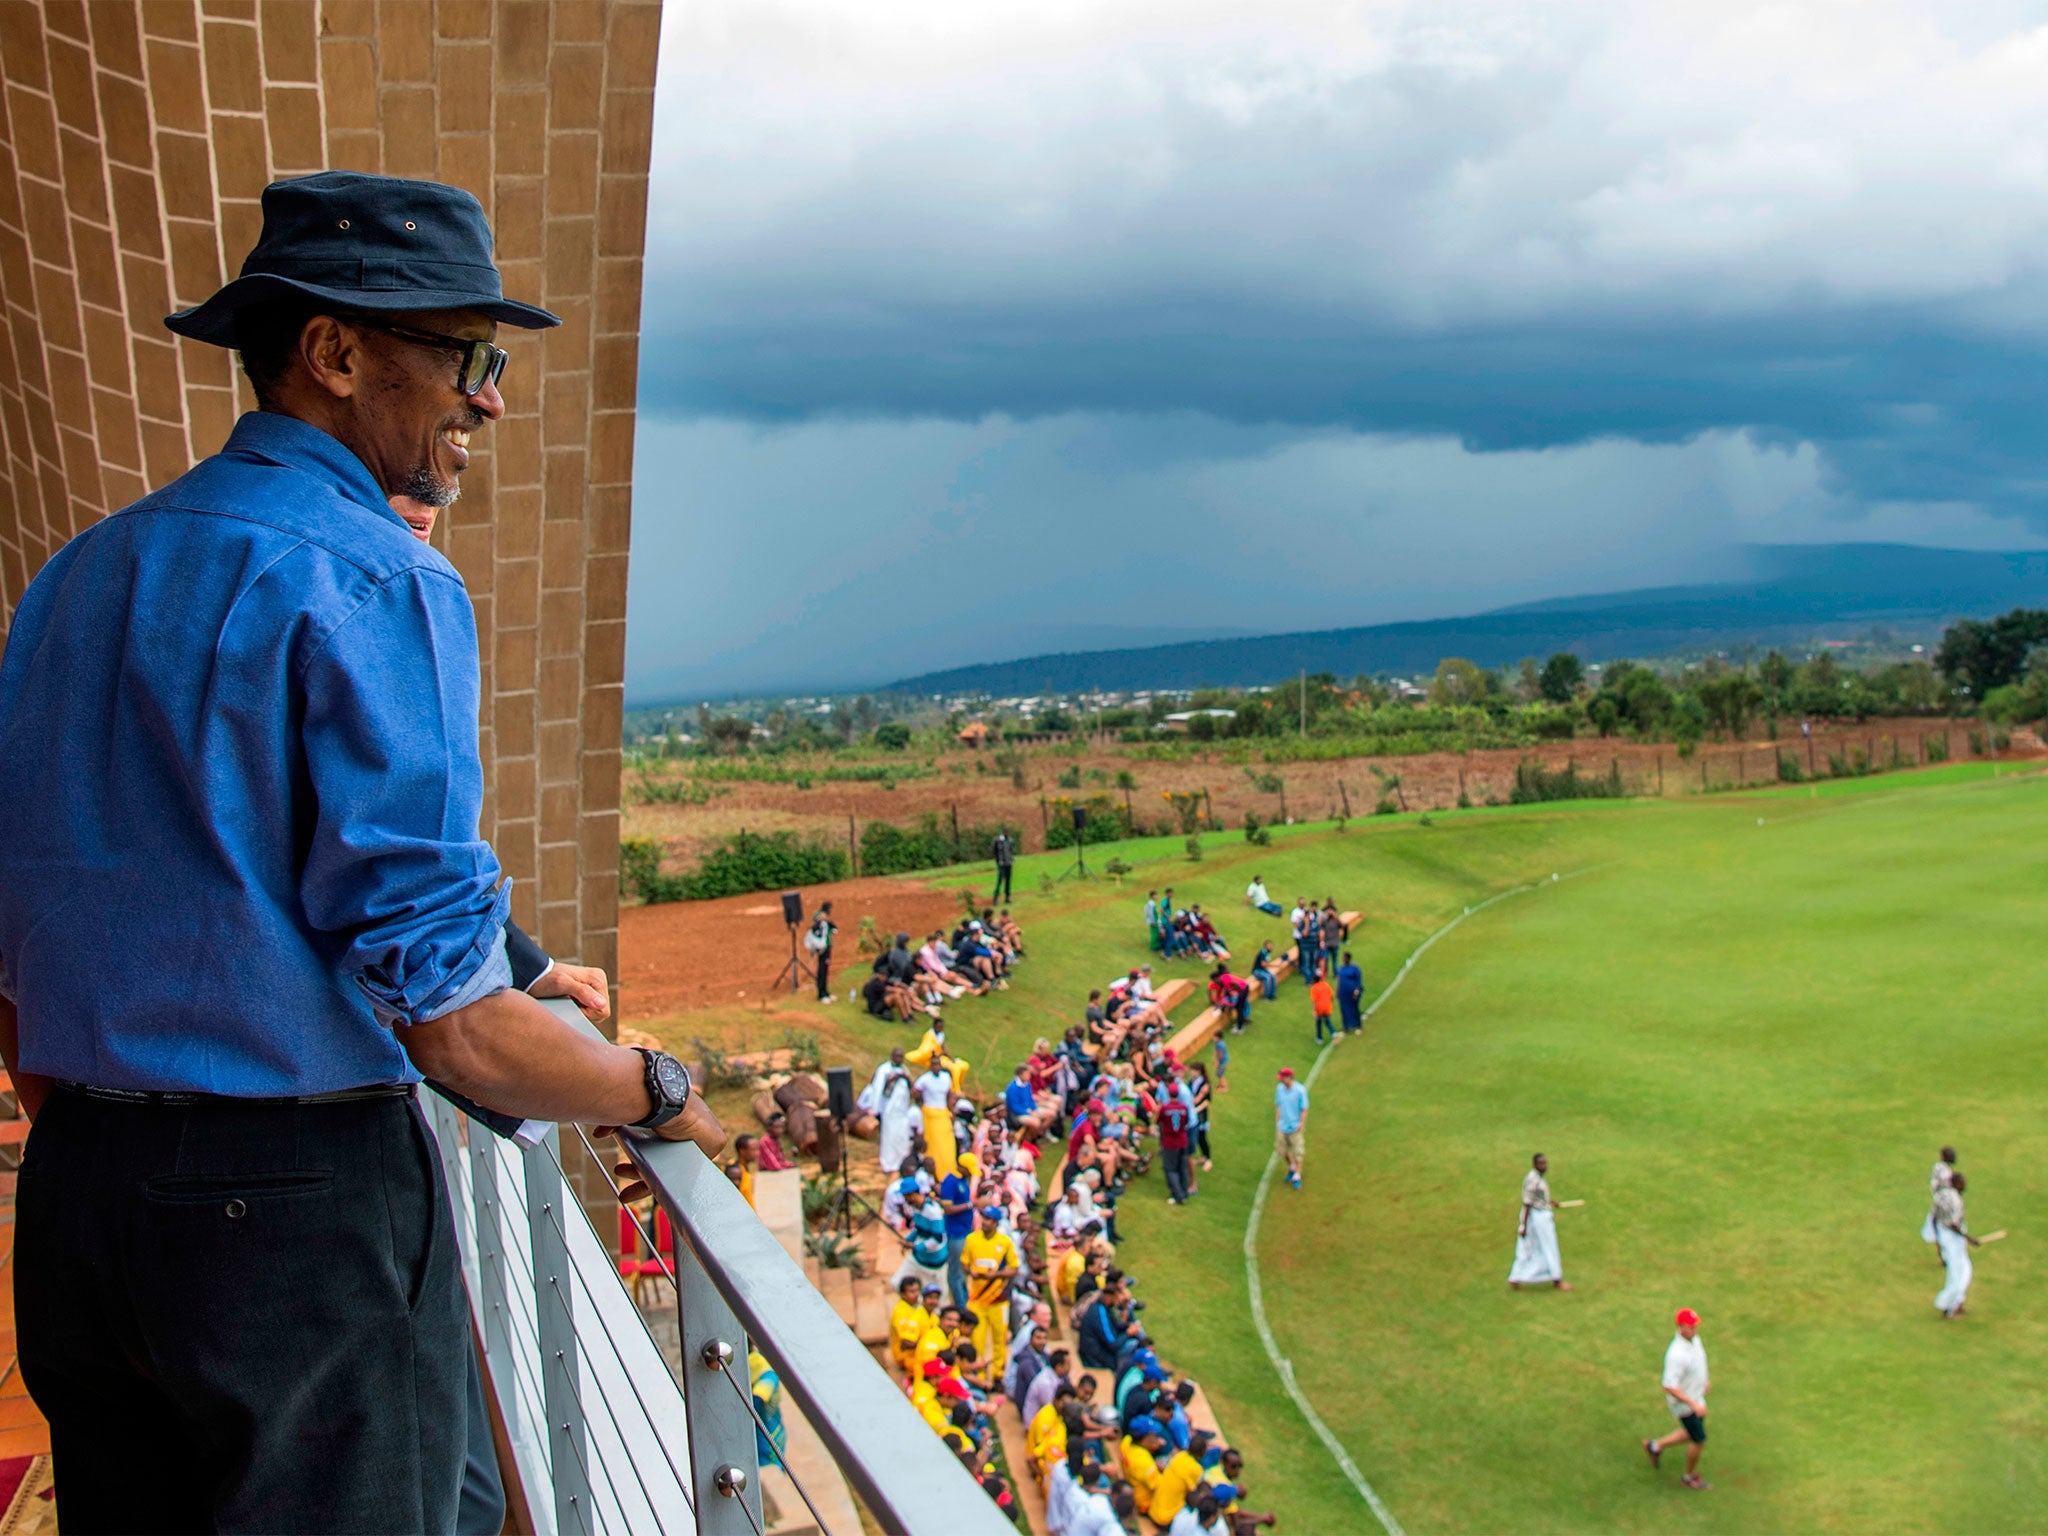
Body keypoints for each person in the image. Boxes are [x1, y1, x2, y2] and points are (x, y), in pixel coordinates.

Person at [0, 171, 728, 1531]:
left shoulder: (77, 576)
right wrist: (648, 1084)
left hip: (83, 1202)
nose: (490, 397)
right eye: (464, 355)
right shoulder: (373, 573)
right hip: (288, 1219)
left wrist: (128, 1136)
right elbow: (451, 1027)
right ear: (335, 354)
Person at [1644, 1307, 1711, 1490]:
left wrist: (1704, 1381)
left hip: (1696, 1397)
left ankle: (1655, 1446)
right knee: (1698, 1439)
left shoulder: (1694, 1340)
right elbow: (1669, 1385)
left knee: (1691, 1433)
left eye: (1696, 1325)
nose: (1695, 1329)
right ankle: (1688, 1477)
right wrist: (1692, 1404)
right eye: (1691, 1326)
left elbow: (1699, 1362)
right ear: (1681, 1327)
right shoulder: (1676, 1354)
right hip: (1685, 1404)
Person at [962, 1206, 1022, 1380]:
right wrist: (971, 1271)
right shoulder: (971, 1239)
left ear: (995, 1223)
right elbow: (964, 1263)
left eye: (988, 1219)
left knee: (999, 1341)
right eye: (983, 1218)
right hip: (977, 1300)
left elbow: (1014, 1268)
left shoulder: (1004, 1243)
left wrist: (996, 1274)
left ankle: (997, 1375)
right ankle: (979, 1376)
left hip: (998, 1300)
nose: (984, 1222)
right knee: (977, 1340)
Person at [1509, 1152, 1572, 1291]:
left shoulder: (1537, 1177)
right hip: (1537, 1218)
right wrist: (1524, 1226)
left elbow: (1537, 1198)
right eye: (1541, 1163)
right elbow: (1527, 1203)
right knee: (1548, 1247)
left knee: (1536, 1248)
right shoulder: (1533, 1179)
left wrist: (1549, 1202)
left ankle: (1517, 1278)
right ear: (1535, 1165)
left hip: (1539, 1214)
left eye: (1545, 1163)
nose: (1544, 1166)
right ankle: (1557, 1280)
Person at [1933, 1171, 1980, 1318]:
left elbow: (1934, 1217)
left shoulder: (1941, 1194)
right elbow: (1953, 1224)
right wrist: (1969, 1238)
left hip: (1945, 1235)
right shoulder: (1955, 1200)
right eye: (1963, 1182)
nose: (1965, 1185)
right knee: (1958, 1273)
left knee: (1962, 1270)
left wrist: (1938, 1240)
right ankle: (1948, 1308)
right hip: (1953, 1237)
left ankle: (1957, 1303)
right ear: (1957, 1184)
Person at [1149, 1429, 1211, 1526]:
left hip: (1153, 1511)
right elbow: (1195, 1493)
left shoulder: (1180, 1456)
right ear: (1202, 1452)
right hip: (1165, 1519)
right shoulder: (1196, 1469)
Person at [1274, 1067, 1309, 1188]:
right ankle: (1292, 1167)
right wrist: (1277, 1122)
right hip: (1282, 1126)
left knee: (1298, 1152)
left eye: (1282, 1078)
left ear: (1289, 1078)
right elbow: (1278, 1105)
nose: (1281, 1080)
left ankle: (1297, 1176)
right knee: (1282, 1151)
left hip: (1295, 1127)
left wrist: (1301, 1123)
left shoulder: (1300, 1091)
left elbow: (1304, 1109)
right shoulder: (1279, 1089)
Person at [1159, 1091, 1194, 1205]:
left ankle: (1178, 1195)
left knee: (1170, 1169)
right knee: (1182, 1167)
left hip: (1170, 1143)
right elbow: (1186, 1122)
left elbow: (1159, 1121)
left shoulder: (1165, 1108)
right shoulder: (1184, 1107)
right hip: (1182, 1141)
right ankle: (1184, 1192)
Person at [1921, 1145, 1957, 1247]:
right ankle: (1942, 1248)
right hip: (1943, 1202)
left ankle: (1941, 1248)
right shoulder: (1943, 1170)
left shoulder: (1940, 1167)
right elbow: (1942, 1185)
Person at [806, 900, 837, 1003]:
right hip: (822, 946)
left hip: (827, 946)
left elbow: (833, 929)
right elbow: (816, 920)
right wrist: (821, 918)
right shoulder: (819, 916)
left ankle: (825, 991)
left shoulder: (827, 921)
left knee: (825, 969)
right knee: (822, 970)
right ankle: (821, 994)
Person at [1335, 949, 1365, 1034]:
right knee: (1344, 1009)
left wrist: (1357, 990)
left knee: (1354, 1008)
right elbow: (1340, 980)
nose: (1344, 959)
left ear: (1349, 958)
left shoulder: (1355, 968)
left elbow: (1358, 980)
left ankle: (1358, 1025)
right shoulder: (1341, 968)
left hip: (1352, 992)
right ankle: (1346, 1027)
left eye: (1345, 958)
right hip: (1343, 992)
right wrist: (1338, 990)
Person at [1309, 971, 1336, 1045]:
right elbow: (1331, 996)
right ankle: (1333, 1033)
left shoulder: (1314, 988)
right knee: (1327, 1021)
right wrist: (1331, 1004)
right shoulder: (1325, 985)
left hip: (1319, 1008)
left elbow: (1314, 1001)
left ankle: (1319, 1039)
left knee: (1319, 1023)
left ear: (1314, 980)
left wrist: (1314, 1011)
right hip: (1327, 1006)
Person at [992, 830, 1016, 903]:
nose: (1007, 833)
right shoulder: (998, 840)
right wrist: (998, 861)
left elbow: (1011, 851)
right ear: (1003, 832)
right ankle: (995, 898)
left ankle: (1007, 897)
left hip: (1008, 863)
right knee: (1000, 880)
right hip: (1001, 864)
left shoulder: (1010, 840)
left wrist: (1011, 860)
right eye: (1005, 832)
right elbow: (994, 850)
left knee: (1008, 881)